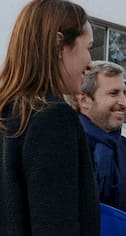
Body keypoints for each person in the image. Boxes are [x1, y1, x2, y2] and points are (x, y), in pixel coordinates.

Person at [0, 0, 99, 235]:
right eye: (88, 48)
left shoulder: (9, 112)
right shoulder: (53, 119)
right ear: (58, 45)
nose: (90, 63)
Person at [73, 60, 126, 217]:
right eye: (113, 93)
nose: (124, 102)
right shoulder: (65, 147)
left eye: (124, 93)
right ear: (84, 100)